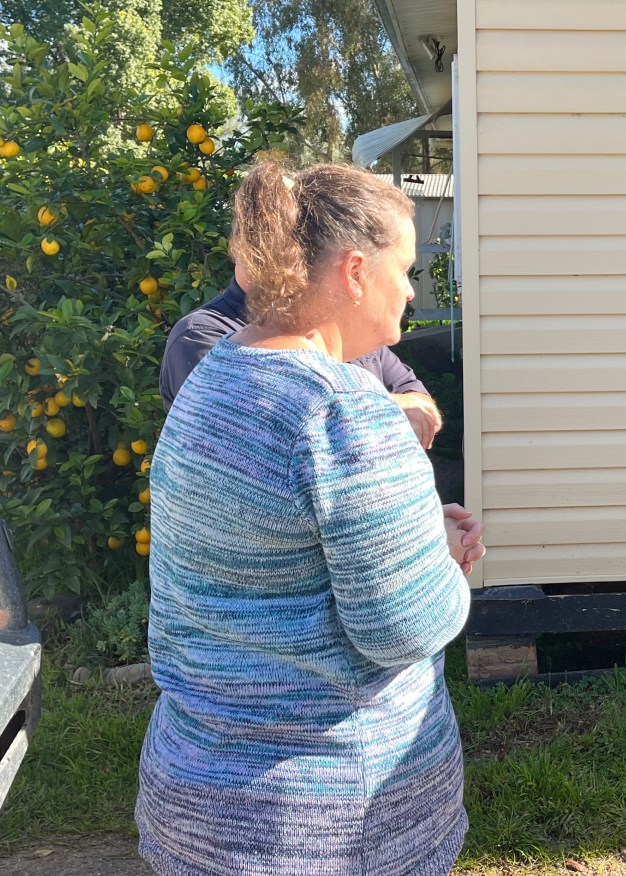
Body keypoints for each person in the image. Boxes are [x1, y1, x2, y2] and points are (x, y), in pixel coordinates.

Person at [136, 162, 481, 876]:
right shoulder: (345, 411)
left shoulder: (215, 376)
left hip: (195, 796)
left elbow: (269, 555)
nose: (412, 291)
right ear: (356, 271)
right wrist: (440, 558)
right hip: (323, 824)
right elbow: (404, 626)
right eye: (406, 268)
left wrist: (410, 527)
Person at [160, 260, 444, 450]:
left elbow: (420, 402)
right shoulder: (202, 335)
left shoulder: (334, 321)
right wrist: (390, 408)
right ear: (239, 247)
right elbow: (273, 436)